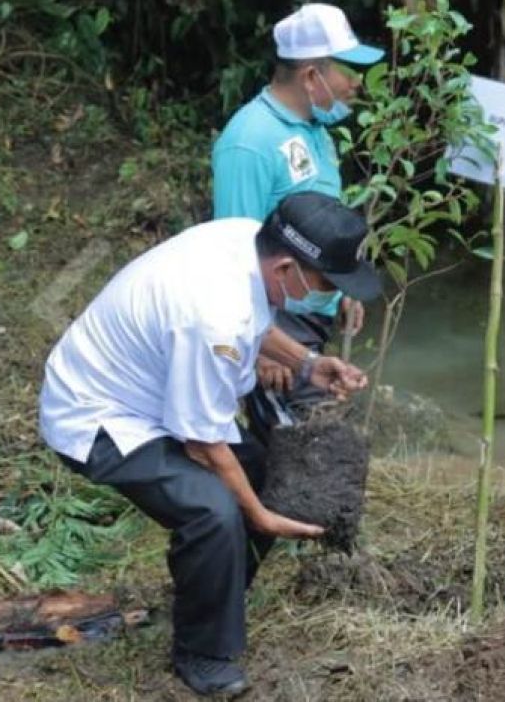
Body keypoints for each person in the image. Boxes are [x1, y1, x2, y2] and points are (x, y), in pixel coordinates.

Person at [38, 192, 381, 696]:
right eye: (327, 282)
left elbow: (256, 325)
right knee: (215, 509)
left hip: (150, 392)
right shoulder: (212, 317)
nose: (328, 293)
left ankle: (210, 595)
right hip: (97, 417)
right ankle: (201, 654)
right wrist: (260, 517)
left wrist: (305, 363)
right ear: (287, 266)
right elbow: (203, 444)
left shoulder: (248, 240)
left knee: (265, 474)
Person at [211, 2, 384, 429]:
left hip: (312, 315)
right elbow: (233, 255)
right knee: (297, 446)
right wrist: (265, 348)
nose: (357, 84)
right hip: (280, 318)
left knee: (312, 438)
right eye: (348, 70)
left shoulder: (318, 133)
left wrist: (340, 285)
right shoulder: (249, 142)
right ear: (311, 75)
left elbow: (325, 226)